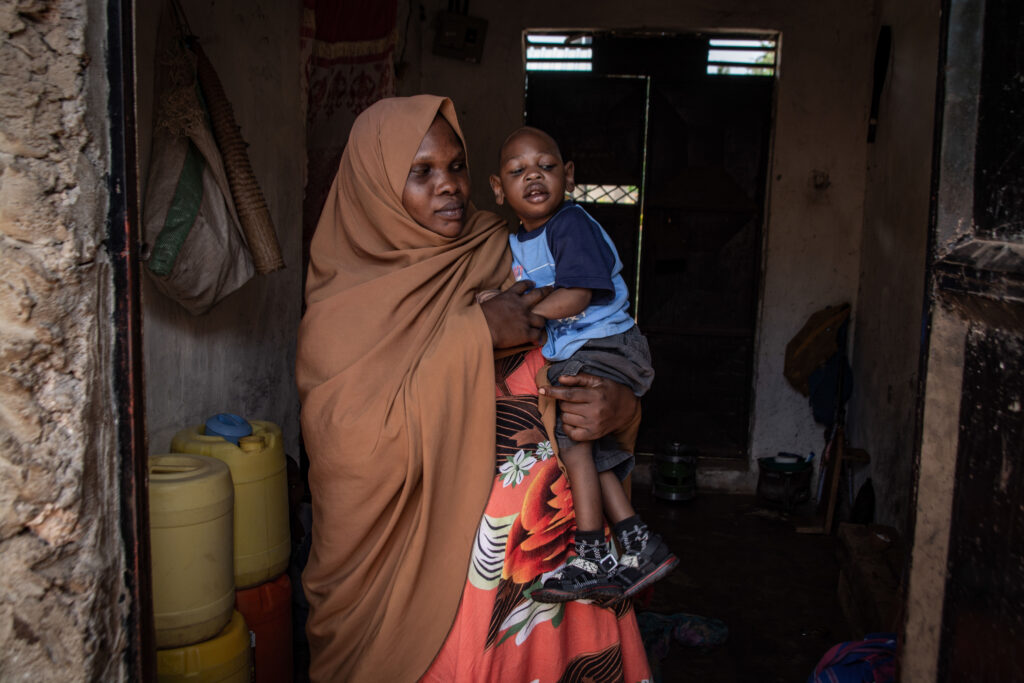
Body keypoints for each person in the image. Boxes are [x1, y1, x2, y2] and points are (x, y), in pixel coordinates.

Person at [295, 95, 652, 682]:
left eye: (456, 167)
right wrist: (476, 332)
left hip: (566, 562)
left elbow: (592, 344)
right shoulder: (343, 306)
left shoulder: (501, 246)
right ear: (375, 187)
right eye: (422, 172)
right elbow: (346, 445)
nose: (449, 187)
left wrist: (620, 405)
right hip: (438, 579)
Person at [486, 126, 677, 604]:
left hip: (610, 344)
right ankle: (637, 542)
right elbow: (532, 288)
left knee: (574, 443)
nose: (533, 177)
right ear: (498, 188)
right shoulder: (519, 240)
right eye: (517, 171)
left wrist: (521, 317)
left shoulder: (569, 223)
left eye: (546, 167)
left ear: (567, 176)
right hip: (589, 348)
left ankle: (592, 554)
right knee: (590, 447)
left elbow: (577, 295)